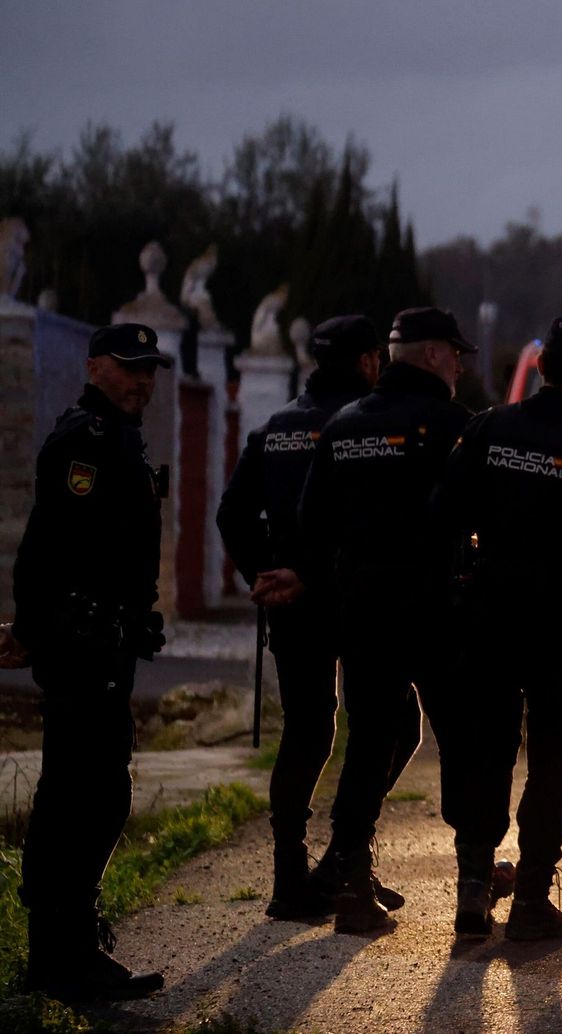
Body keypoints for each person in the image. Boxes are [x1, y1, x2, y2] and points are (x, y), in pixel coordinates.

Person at [433, 316, 562, 938]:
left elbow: (444, 508)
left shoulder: (489, 426)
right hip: (558, 619)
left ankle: (473, 891)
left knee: (486, 752)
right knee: (551, 759)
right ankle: (529, 903)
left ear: (542, 366)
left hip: (488, 613)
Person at [215, 314, 411, 920]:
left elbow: (230, 515)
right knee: (393, 726)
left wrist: (264, 574)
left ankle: (291, 878)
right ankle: (344, 863)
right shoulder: (368, 429)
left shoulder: (274, 430)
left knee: (306, 731)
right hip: (357, 599)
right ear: (368, 364)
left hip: (294, 606)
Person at [5, 323, 172, 999]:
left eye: (149, 370)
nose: (142, 380)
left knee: (89, 794)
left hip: (103, 643)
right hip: (82, 647)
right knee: (86, 796)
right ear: (95, 365)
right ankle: (62, 955)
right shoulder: (86, 440)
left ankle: (64, 950)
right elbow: (51, 546)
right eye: (129, 367)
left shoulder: (118, 439)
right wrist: (43, 629)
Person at [296, 306, 474, 933]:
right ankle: (475, 882)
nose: (460, 364)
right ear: (431, 354)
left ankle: (347, 878)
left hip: (364, 609)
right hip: (438, 610)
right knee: (466, 740)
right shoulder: (456, 424)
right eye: (455, 353)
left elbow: (310, 524)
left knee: (370, 740)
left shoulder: (344, 426)